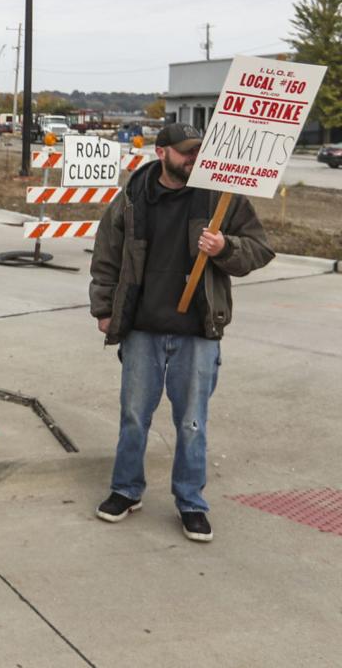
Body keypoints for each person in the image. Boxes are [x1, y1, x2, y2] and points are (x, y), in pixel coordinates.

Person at [90, 122, 273, 542]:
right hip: (142, 328)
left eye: (199, 151)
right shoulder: (133, 199)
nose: (194, 159)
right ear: (162, 153)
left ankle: (191, 501)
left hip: (197, 330)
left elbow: (259, 248)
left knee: (192, 422)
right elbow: (106, 257)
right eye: (187, 151)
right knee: (134, 417)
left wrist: (225, 247)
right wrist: (104, 309)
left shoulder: (219, 198)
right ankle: (125, 490)